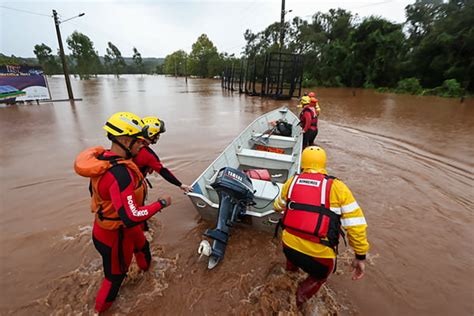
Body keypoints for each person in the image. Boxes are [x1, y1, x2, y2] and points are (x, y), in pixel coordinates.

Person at [74, 112, 172, 313]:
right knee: (115, 278)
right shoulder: (120, 174)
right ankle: (99, 311)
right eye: (139, 142)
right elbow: (131, 216)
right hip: (114, 235)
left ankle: (147, 276)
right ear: (126, 140)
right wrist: (160, 204)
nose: (142, 146)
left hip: (120, 229)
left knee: (143, 247)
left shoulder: (104, 159)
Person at [273, 146, 369, 307]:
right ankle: (295, 303)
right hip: (319, 256)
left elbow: (278, 206)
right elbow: (356, 226)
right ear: (323, 163)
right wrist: (360, 256)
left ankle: (289, 275)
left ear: (303, 162)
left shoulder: (292, 182)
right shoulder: (338, 187)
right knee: (319, 277)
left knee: (292, 263)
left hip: (289, 246)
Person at [133, 116, 193, 193]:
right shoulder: (148, 154)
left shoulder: (131, 145)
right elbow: (163, 171)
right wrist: (180, 185)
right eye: (157, 134)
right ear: (150, 134)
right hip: (134, 186)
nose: (158, 137)